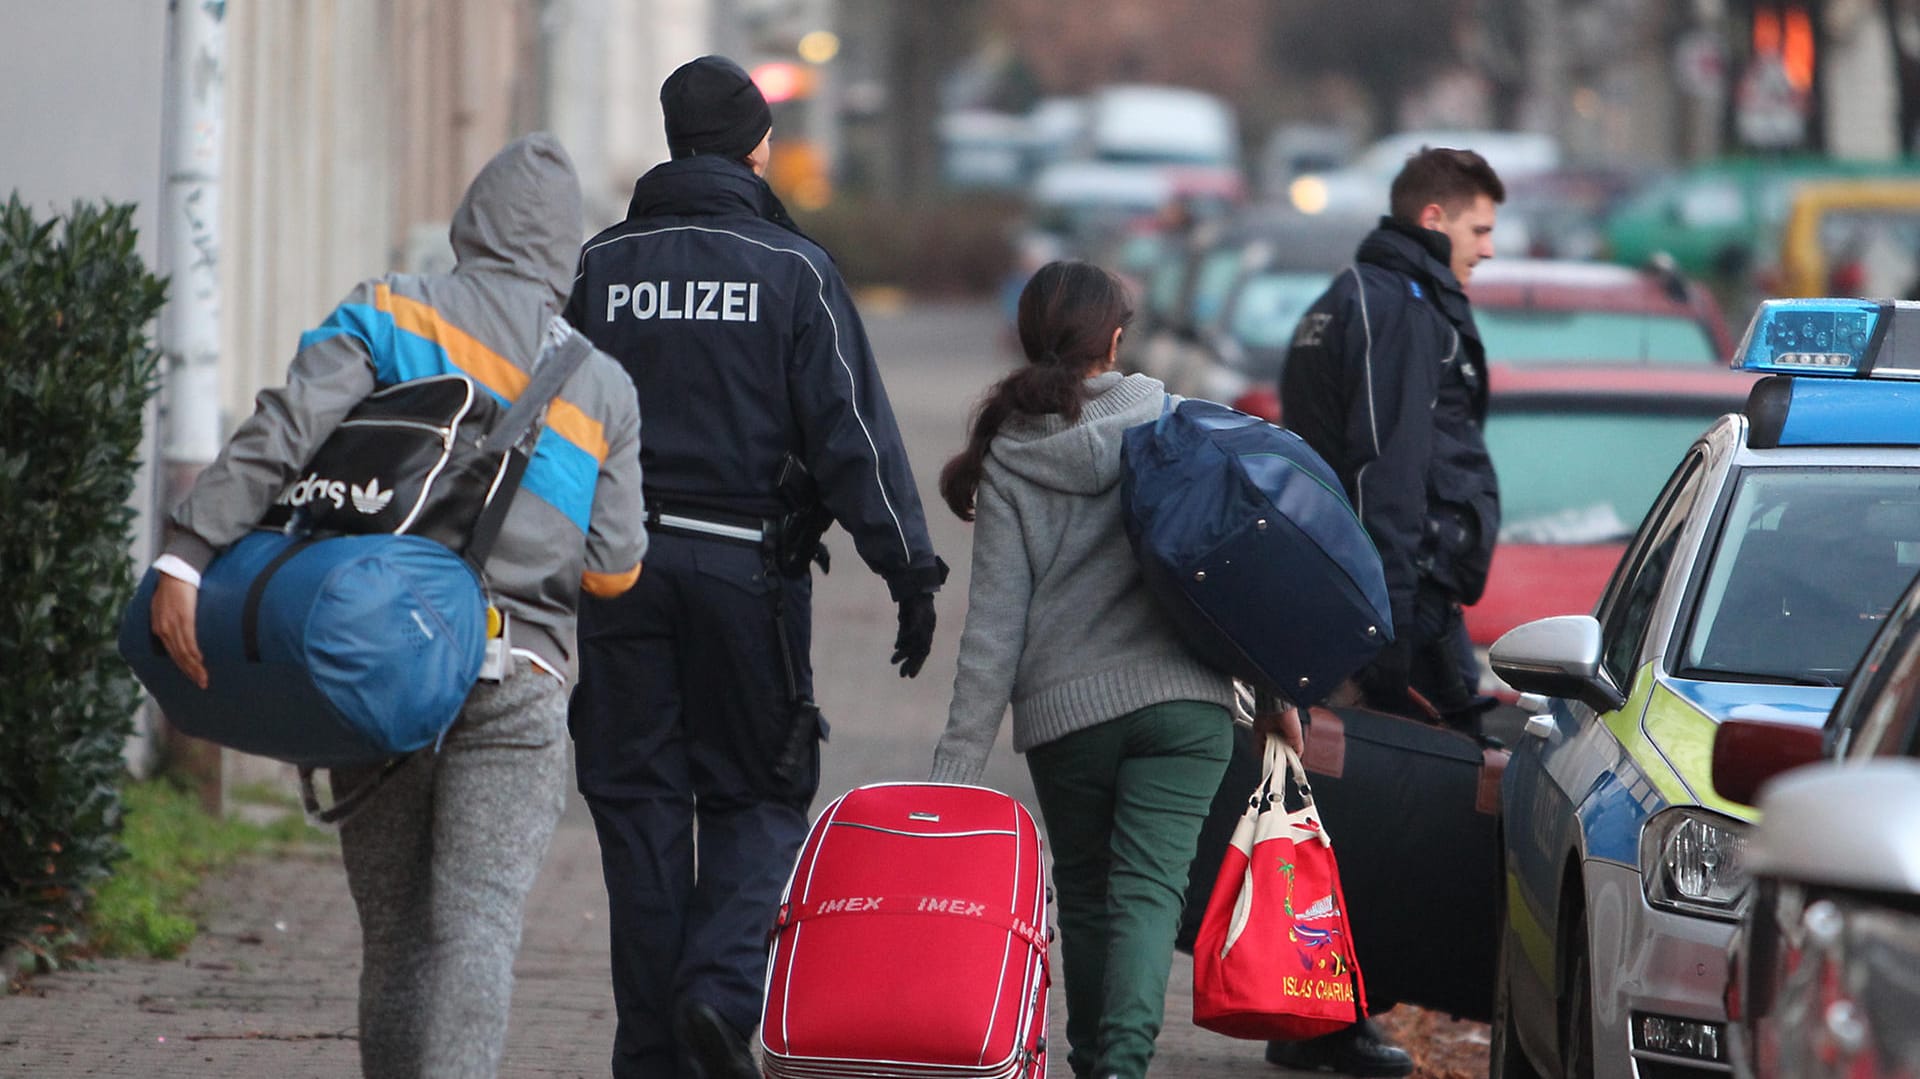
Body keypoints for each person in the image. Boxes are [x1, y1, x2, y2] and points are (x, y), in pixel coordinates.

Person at [146, 133, 648, 1079]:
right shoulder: (602, 384)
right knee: (479, 929)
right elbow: (615, 571)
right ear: (565, 251)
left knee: (396, 933)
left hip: (374, 653)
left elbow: (282, 435)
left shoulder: (386, 309)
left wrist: (186, 554)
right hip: (519, 674)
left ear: (470, 223)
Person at [562, 54, 948, 1079]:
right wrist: (906, 566)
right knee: (758, 796)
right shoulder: (792, 270)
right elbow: (850, 433)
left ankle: (651, 1049)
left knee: (639, 804)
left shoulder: (601, 267)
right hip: (746, 576)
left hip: (617, 575)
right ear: (754, 145)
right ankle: (721, 991)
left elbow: (554, 431)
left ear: (672, 142)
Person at [930, 260, 1236, 1079]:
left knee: (1093, 897)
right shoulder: (1174, 422)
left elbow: (994, 627)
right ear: (1112, 337)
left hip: (1067, 718)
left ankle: (1093, 1059)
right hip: (1184, 703)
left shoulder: (1010, 458)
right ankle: (1119, 1067)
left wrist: (956, 769)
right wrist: (1275, 694)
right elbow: (1241, 574)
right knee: (1148, 893)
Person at [1260, 146, 1506, 1076]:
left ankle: (1321, 1018)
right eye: (1481, 229)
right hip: (1394, 601)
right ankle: (1328, 1020)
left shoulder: (1351, 301)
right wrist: (1394, 622)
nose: (1489, 250)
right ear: (1435, 220)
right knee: (1408, 820)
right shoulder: (1396, 308)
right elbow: (1384, 472)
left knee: (1347, 814)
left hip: (1374, 595)